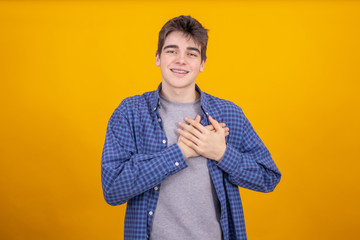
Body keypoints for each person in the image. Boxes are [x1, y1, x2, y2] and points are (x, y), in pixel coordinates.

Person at [101, 15, 281, 240]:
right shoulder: (130, 112)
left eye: (191, 53)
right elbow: (113, 189)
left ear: (202, 63)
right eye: (171, 51)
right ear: (158, 57)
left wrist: (221, 154)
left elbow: (268, 178)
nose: (181, 60)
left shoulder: (229, 114)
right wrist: (181, 152)